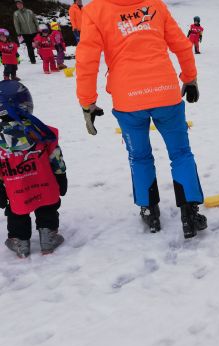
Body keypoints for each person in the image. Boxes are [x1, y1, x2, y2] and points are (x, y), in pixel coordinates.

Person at [76, 0, 207, 239]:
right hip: (165, 93)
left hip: (128, 99)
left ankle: (149, 209)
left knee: (139, 156)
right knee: (181, 153)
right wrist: (189, 78)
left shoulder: (95, 11)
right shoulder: (154, 4)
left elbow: (87, 60)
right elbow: (183, 46)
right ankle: (189, 209)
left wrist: (88, 102)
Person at [0, 80, 67, 258]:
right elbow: (55, 155)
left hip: (17, 188)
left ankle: (20, 242)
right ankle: (48, 237)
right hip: (45, 184)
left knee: (16, 212)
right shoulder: (39, 130)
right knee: (47, 207)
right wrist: (61, 174)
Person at [13, 0, 39, 64]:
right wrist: (18, 32)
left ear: (22, 4)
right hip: (25, 33)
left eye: (20, 4)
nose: (19, 5)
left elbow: (35, 20)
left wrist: (38, 28)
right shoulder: (16, 13)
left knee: (39, 44)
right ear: (16, 5)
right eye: (17, 4)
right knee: (29, 47)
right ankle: (33, 60)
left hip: (34, 31)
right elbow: (16, 24)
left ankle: (45, 57)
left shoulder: (29, 11)